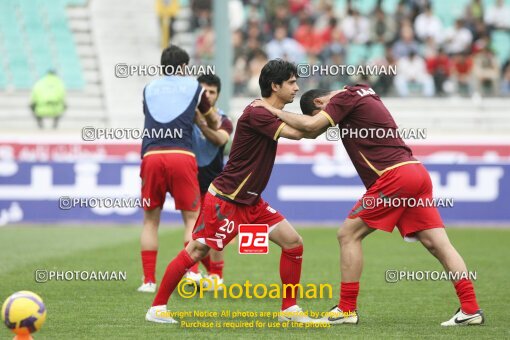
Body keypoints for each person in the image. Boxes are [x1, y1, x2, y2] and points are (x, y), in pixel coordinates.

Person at [252, 84, 484, 327]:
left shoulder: (342, 98)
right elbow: (310, 132)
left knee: (347, 234)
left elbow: (311, 126)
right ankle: (470, 308)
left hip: (394, 178)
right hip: (415, 172)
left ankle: (346, 309)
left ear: (320, 104)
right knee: (438, 244)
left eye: (319, 114)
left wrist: (269, 108)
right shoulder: (361, 90)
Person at [145, 59, 320, 324]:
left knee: (293, 242)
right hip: (226, 201)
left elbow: (307, 131)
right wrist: (334, 116)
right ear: (275, 86)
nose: (297, 87)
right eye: (292, 82)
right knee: (196, 252)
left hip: (251, 202)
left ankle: (289, 309)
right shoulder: (257, 113)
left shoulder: (267, 112)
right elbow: (301, 133)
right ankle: (157, 308)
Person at [138, 45, 219, 293]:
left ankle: (148, 281)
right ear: (184, 67)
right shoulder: (193, 87)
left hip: (151, 154)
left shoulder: (149, 87)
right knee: (191, 217)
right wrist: (204, 120)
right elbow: (213, 119)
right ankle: (192, 273)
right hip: (181, 154)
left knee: (151, 221)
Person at [187, 74, 233, 289]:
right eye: (203, 91)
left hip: (214, 181)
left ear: (218, 95)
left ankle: (216, 276)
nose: (207, 96)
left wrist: (202, 125)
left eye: (212, 92)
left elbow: (221, 140)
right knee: (193, 225)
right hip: (188, 177)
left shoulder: (224, 120)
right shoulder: (185, 117)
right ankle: (193, 271)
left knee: (215, 231)